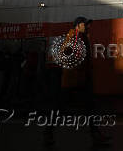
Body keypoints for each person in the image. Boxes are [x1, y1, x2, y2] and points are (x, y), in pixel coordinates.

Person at [44, 16, 111, 146]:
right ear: (78, 25)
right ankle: (48, 133)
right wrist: (78, 67)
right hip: (73, 81)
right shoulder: (74, 37)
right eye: (85, 24)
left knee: (87, 108)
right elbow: (66, 55)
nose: (87, 26)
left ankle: (95, 135)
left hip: (78, 80)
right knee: (64, 108)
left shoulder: (80, 37)